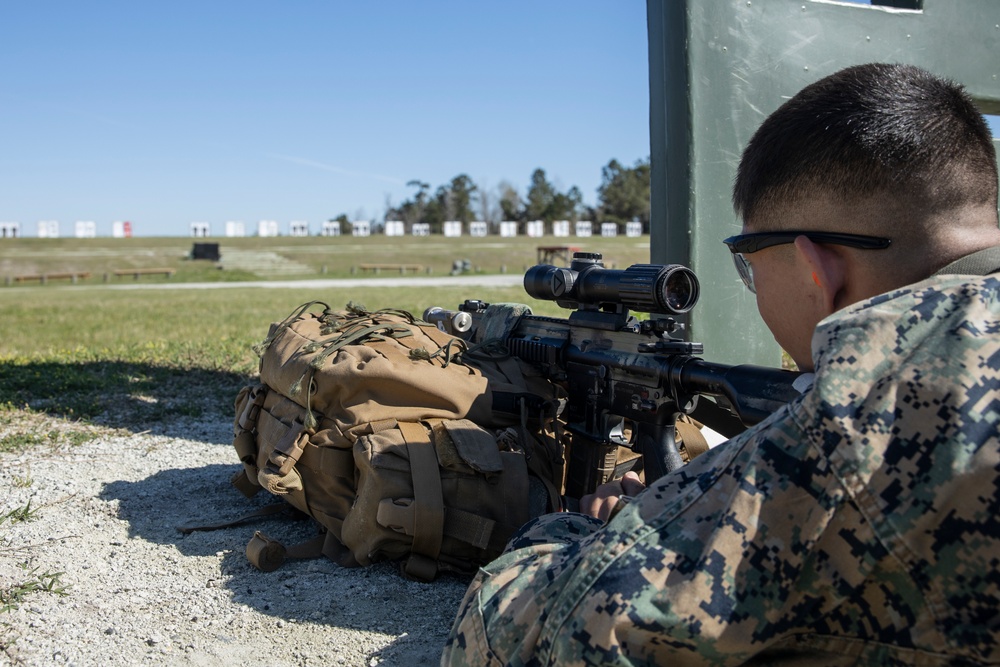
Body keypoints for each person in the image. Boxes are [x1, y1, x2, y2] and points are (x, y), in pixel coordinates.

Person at [441, 62, 1000, 666]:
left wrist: (578, 531)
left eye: (750, 262)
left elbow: (527, 633)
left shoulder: (863, 411)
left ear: (816, 269)